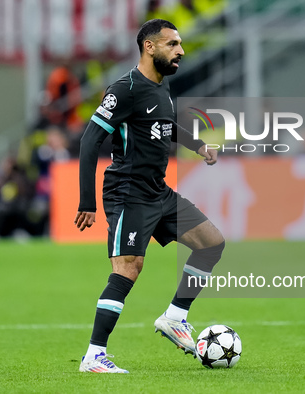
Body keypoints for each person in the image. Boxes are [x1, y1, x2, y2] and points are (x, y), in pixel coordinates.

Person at [74, 19, 225, 374]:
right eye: (172, 44)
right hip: (128, 193)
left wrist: (198, 145)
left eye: (180, 44)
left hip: (157, 190)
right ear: (150, 47)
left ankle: (175, 317)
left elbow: (165, 125)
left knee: (211, 243)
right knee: (128, 268)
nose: (181, 51)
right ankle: (94, 356)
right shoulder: (124, 89)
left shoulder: (160, 88)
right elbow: (89, 140)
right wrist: (86, 202)